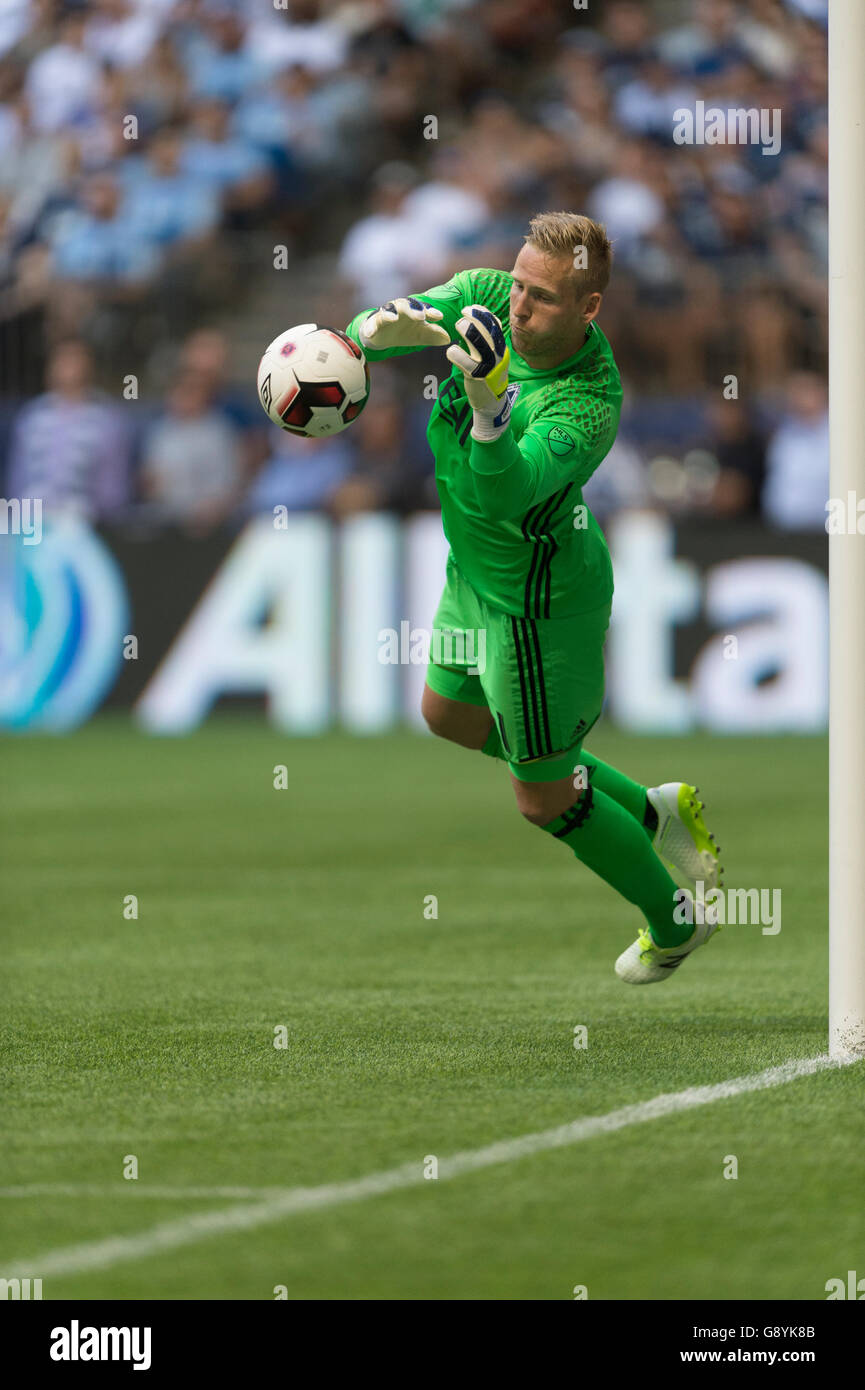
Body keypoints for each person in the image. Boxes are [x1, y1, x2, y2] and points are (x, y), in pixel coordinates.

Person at [344, 211, 722, 985]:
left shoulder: (588, 402)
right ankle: (652, 812)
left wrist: (488, 413)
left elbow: (507, 494)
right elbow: (389, 321)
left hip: (536, 604)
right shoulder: (489, 294)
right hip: (472, 575)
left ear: (587, 308)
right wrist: (378, 330)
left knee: (543, 799)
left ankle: (674, 921)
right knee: (447, 714)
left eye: (542, 298)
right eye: (518, 285)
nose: (518, 308)